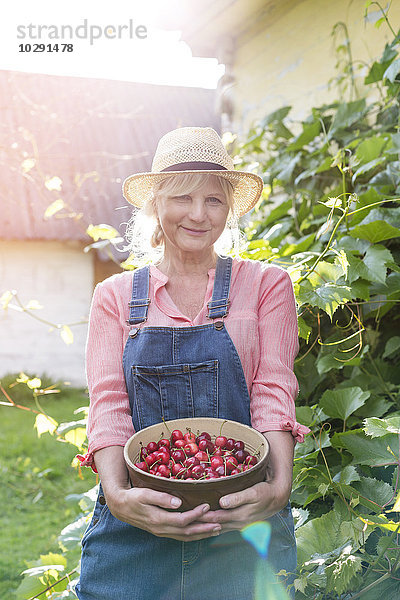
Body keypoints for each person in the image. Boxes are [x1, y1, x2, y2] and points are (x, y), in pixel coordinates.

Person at [75, 126, 309, 600]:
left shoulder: (267, 285)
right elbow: (109, 406)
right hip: (140, 520)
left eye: (214, 201)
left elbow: (273, 392)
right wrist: (120, 499)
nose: (199, 215)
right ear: (155, 205)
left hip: (241, 519)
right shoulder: (115, 297)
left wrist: (278, 488)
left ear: (231, 209)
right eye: (183, 198)